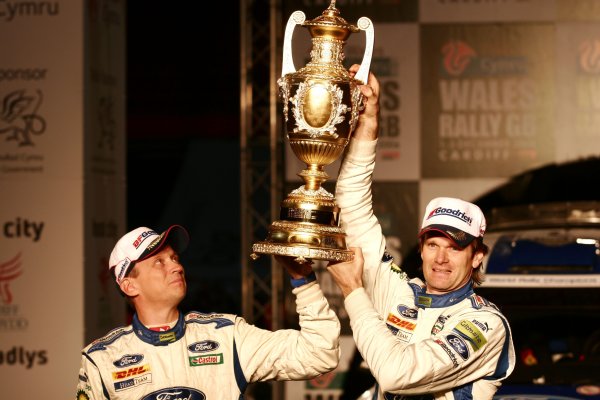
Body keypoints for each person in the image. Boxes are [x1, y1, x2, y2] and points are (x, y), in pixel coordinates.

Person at [325, 65, 515, 399]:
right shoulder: (401, 293)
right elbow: (352, 209)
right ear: (421, 248)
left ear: (477, 257)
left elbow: (398, 376)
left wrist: (353, 291)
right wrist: (368, 122)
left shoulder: (485, 324)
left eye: (455, 247)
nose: (441, 258)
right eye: (433, 244)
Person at [76, 224, 341, 399]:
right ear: (129, 285)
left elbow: (319, 353)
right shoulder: (102, 359)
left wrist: (302, 280)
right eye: (159, 262)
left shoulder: (227, 336)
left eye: (175, 258)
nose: (176, 267)